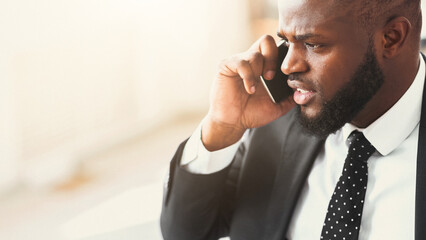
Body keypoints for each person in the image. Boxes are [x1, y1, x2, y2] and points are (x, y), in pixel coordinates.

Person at [161, 0, 426, 239]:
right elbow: (187, 233)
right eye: (287, 42)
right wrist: (222, 127)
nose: (287, 66)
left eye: (313, 44)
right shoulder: (278, 121)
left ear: (391, 38)